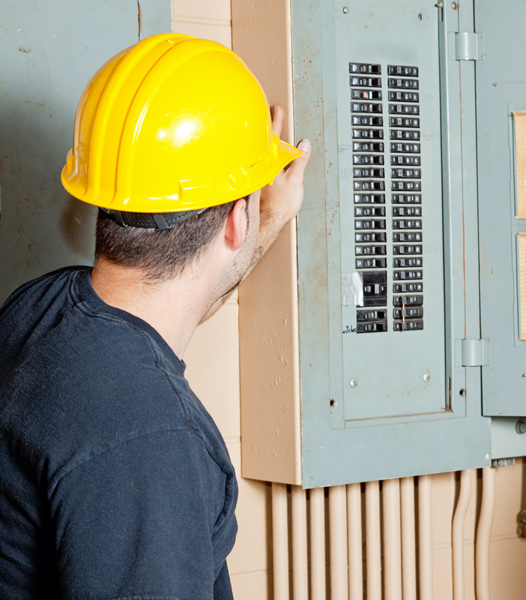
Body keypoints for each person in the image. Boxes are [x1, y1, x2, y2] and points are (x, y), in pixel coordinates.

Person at [0, 33, 310, 598]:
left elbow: (170, 313)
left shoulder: (40, 308)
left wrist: (263, 224)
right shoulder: (153, 443)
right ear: (234, 219)